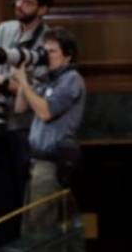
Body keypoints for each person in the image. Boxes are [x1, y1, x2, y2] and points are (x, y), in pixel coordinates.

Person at [0, 0, 52, 240]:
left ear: (43, 9)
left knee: (22, 196)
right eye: (18, 0)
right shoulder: (4, 30)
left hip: (24, 129)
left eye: (27, 2)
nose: (19, 5)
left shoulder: (47, 41)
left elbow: (32, 88)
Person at [14, 27, 85, 230]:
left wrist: (24, 84)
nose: (46, 56)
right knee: (29, 224)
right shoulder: (46, 79)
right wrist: (24, 78)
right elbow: (20, 107)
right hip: (34, 162)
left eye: (52, 51)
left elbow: (45, 112)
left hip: (52, 163)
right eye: (43, 50)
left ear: (67, 56)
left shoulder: (71, 80)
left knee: (41, 226)